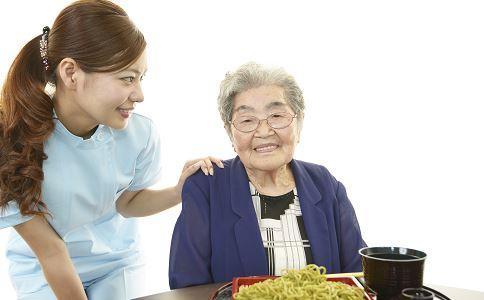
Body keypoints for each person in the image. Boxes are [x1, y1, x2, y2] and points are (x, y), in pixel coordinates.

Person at [0, 1, 222, 299]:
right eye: (127, 78)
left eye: (141, 78)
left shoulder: (139, 134)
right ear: (70, 73)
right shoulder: (13, 143)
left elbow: (126, 203)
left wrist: (179, 191)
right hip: (41, 267)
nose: (140, 95)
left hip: (115, 263)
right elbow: (51, 252)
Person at [169, 62, 366, 289]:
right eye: (247, 120)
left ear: (298, 123)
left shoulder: (325, 184)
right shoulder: (206, 187)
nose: (263, 131)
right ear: (229, 132)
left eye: (276, 115)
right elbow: (186, 287)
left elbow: (358, 279)